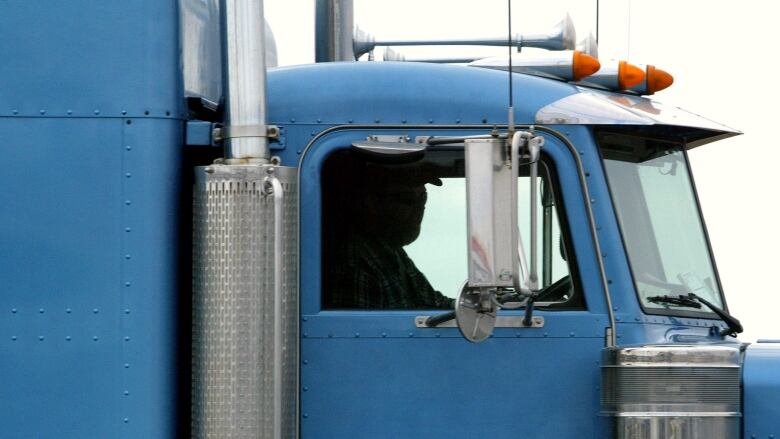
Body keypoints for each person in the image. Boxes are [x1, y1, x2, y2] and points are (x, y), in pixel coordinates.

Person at [323, 154, 454, 309]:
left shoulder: (389, 250)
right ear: (371, 202)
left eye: (422, 198)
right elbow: (362, 329)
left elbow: (432, 302)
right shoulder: (356, 264)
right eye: (406, 199)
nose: (419, 209)